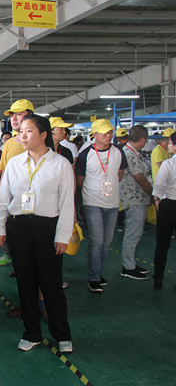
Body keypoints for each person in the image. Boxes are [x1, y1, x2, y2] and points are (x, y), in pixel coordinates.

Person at [0, 114, 74, 353]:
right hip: (18, 227)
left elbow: (67, 203)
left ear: (43, 134)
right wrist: (0, 227)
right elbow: (4, 198)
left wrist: (62, 236)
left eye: (28, 131)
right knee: (25, 282)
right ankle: (32, 332)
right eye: (21, 132)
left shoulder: (60, 164)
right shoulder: (14, 163)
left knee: (51, 284)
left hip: (47, 228)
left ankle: (62, 334)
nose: (23, 136)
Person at [76, 119, 127, 293]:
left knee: (107, 242)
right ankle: (93, 277)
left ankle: (98, 272)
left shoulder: (118, 152)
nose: (109, 135)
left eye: (110, 132)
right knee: (97, 240)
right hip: (92, 203)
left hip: (112, 203)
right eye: (104, 132)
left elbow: (120, 173)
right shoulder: (85, 155)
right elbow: (80, 180)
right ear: (95, 135)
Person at [0, 99, 34, 272]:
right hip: (16, 206)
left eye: (19, 114)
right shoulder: (9, 144)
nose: (14, 118)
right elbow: (3, 172)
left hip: (39, 207)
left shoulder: (41, 142)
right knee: (19, 249)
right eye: (12, 115)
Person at [119, 125, 152, 281]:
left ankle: (130, 263)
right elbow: (140, 178)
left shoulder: (131, 153)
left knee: (135, 233)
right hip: (134, 199)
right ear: (142, 139)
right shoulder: (130, 154)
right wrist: (153, 193)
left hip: (137, 198)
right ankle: (128, 267)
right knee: (133, 234)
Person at [152, 132, 176, 289]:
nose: (168, 145)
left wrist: (158, 198)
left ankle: (158, 277)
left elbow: (158, 184)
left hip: (169, 205)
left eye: (170, 143)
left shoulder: (168, 164)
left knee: (162, 243)